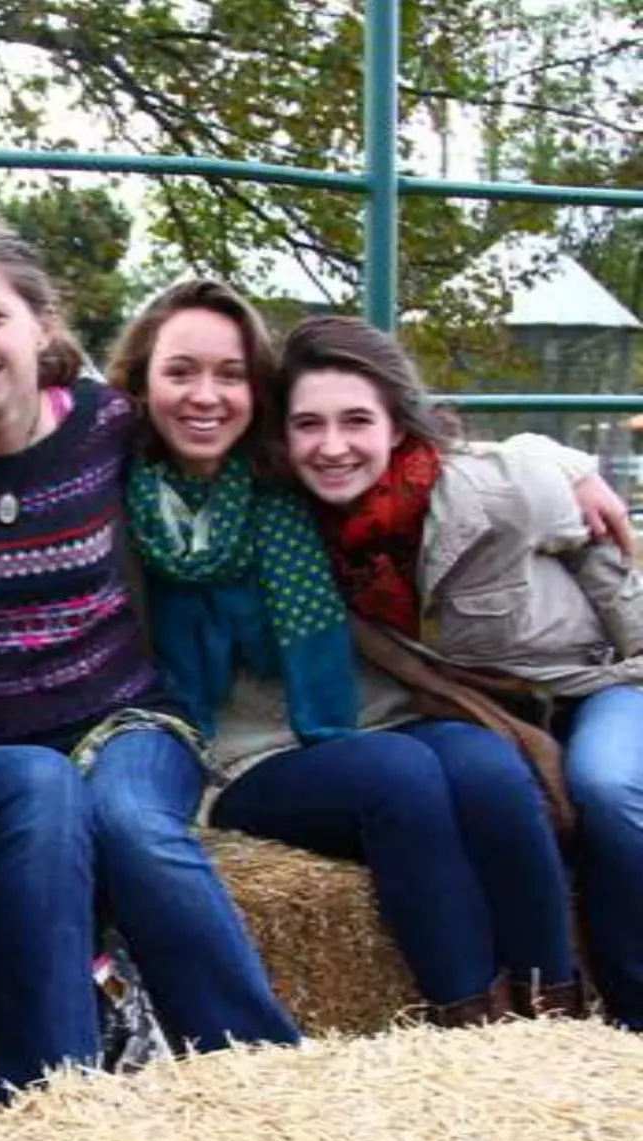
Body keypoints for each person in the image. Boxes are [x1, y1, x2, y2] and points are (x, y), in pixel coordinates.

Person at [107, 279, 579, 1025]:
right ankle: (471, 1026)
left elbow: (426, 443)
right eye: (181, 372)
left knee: (490, 767)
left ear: (256, 391)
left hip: (365, 714)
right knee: (399, 779)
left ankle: (554, 1018)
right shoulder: (110, 481)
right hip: (240, 750)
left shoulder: (283, 468)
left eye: (230, 375)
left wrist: (565, 463)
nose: (207, 395)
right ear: (140, 382)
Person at [0, 221, 301, 1093]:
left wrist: (536, 458)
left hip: (124, 716)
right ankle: (52, 1104)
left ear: (42, 326)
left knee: (130, 824)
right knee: (44, 802)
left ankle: (264, 1080)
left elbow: (278, 436)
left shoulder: (105, 424)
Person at [278, 314, 640, 1027]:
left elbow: (607, 555)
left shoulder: (492, 491)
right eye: (307, 425)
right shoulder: (295, 534)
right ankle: (531, 1014)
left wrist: (573, 467)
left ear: (396, 425)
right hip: (491, 705)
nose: (333, 446)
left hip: (594, 681)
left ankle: (631, 1020)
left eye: (356, 420)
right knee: (487, 783)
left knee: (607, 786)